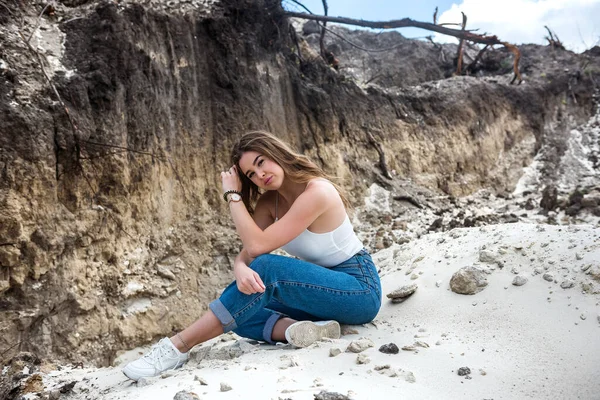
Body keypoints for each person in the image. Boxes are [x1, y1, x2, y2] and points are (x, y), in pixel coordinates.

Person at [122, 131, 382, 381]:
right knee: (239, 306)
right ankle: (295, 330)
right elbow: (247, 253)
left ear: (275, 152)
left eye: (261, 162)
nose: (260, 175)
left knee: (261, 275)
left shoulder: (317, 192)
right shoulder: (270, 203)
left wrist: (233, 195)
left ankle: (176, 347)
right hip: (322, 294)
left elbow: (257, 248)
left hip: (358, 290)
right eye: (251, 174)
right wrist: (240, 267)